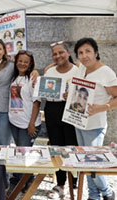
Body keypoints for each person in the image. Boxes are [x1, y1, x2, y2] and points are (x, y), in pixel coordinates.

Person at [73, 37, 117, 200]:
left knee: (93, 164)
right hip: (79, 123)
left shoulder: (106, 72)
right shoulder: (81, 69)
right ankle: (93, 195)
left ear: (96, 52)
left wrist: (101, 107)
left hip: (95, 125)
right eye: (80, 53)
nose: (84, 56)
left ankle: (107, 193)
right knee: (87, 163)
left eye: (88, 51)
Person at [44, 41, 79, 199]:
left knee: (71, 147)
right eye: (54, 54)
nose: (58, 56)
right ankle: (60, 184)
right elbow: (44, 92)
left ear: (68, 52)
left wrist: (71, 97)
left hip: (71, 111)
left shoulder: (78, 71)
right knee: (57, 148)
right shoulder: (50, 71)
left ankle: (75, 182)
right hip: (52, 110)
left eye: (61, 52)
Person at [7, 50, 41, 195]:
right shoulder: (14, 77)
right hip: (14, 122)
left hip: (28, 123)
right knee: (20, 152)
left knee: (24, 153)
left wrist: (32, 123)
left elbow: (37, 103)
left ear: (30, 64)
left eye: (26, 62)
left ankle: (25, 181)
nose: (22, 64)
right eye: (20, 61)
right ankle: (22, 179)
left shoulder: (33, 79)